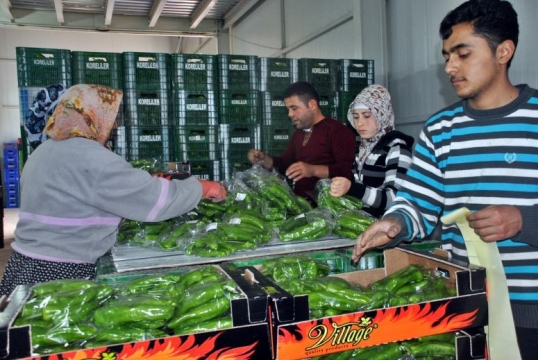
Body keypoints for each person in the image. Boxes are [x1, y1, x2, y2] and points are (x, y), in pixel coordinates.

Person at [352, 0, 538, 358]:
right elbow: (418, 203)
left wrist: (522, 220)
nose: (450, 67)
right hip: (466, 308)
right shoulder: (440, 129)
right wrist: (395, 223)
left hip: (531, 314)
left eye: (463, 54)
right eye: (446, 56)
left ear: (504, 51)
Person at [0, 84, 227, 297]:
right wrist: (202, 187)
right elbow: (153, 201)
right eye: (109, 117)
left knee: (24, 335)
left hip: (23, 266)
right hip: (60, 273)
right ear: (91, 116)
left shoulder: (43, 151)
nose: (114, 126)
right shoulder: (91, 157)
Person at [247, 81, 356, 204]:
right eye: (288, 109)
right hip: (303, 205)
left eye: (294, 108)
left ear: (312, 104)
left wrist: (312, 170)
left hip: (330, 206)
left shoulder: (337, 131)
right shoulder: (298, 134)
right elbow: (285, 165)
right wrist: (263, 159)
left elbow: (347, 170)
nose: (290, 114)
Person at [329, 84, 414, 218]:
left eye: (367, 116)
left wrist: (352, 188)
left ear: (382, 115)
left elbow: (395, 199)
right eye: (356, 117)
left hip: (389, 229)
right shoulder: (363, 149)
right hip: (365, 225)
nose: (360, 123)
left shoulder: (397, 148)